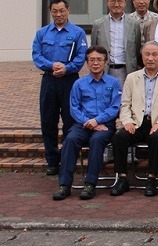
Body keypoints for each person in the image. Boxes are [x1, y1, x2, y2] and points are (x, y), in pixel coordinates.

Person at [52, 45, 121, 201]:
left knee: (96, 141)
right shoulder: (79, 83)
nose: (95, 63)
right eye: (92, 60)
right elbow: (74, 108)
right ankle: (64, 185)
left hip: (105, 125)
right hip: (82, 124)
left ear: (105, 62)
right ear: (87, 63)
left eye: (99, 60)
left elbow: (115, 107)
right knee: (70, 140)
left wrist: (97, 120)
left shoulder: (114, 83)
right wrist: (88, 122)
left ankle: (90, 184)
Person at [111, 41, 158, 197]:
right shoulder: (131, 77)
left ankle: (151, 178)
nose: (150, 58)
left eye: (154, 54)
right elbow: (125, 103)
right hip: (136, 122)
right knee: (119, 137)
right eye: (147, 54)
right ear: (142, 56)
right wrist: (127, 121)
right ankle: (122, 178)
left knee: (157, 138)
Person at [32, 0, 88, 176]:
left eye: (62, 11)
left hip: (69, 81)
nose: (58, 14)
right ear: (50, 12)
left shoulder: (78, 33)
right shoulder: (42, 33)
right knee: (48, 121)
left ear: (68, 10)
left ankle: (66, 159)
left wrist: (67, 68)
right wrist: (51, 66)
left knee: (70, 121)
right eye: (55, 11)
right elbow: (37, 55)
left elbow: (81, 56)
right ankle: (52, 161)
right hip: (49, 81)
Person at [91, 0, 141, 88]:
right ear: (107, 2)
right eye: (112, 0)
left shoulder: (134, 24)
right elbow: (93, 49)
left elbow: (136, 49)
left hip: (127, 71)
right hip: (104, 71)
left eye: (120, 0)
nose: (116, 4)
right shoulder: (98, 24)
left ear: (125, 2)